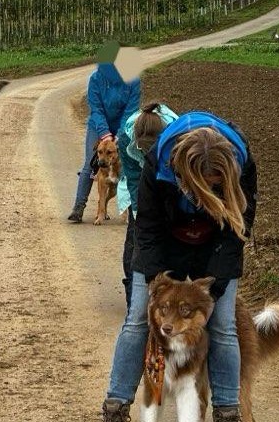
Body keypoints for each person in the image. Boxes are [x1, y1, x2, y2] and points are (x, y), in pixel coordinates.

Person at [101, 111, 258, 422]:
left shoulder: (242, 163)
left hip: (215, 242)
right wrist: (154, 279)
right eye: (205, 187)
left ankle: (228, 411)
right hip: (165, 240)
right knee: (137, 320)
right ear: (186, 172)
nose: (210, 192)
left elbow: (239, 228)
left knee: (223, 324)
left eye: (216, 187)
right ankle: (116, 405)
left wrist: (218, 281)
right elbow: (146, 226)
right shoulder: (158, 161)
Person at [115, 102, 178, 307]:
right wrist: (139, 213)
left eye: (150, 149)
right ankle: (132, 298)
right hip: (141, 183)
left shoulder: (176, 136)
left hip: (169, 183)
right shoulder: (126, 138)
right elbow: (134, 179)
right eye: (142, 148)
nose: (145, 152)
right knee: (135, 243)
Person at [67, 61, 140, 223]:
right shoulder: (95, 79)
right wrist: (104, 133)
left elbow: (131, 110)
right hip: (98, 124)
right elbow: (96, 109)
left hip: (123, 125)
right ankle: (78, 207)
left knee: (130, 165)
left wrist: (121, 134)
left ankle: (132, 211)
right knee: (90, 163)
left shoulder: (133, 81)